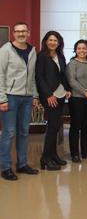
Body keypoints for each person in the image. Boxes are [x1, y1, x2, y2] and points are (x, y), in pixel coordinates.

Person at [0, 22, 39, 180]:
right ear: (13, 33)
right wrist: (2, 99)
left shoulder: (32, 51)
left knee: (24, 131)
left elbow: (33, 76)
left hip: (27, 97)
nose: (21, 34)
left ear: (28, 33)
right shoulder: (5, 50)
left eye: (24, 31)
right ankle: (5, 167)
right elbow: (0, 75)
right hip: (10, 96)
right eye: (18, 31)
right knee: (9, 133)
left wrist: (35, 95)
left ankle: (22, 164)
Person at [35, 31, 72, 170]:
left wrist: (68, 89)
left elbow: (63, 76)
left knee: (56, 127)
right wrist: (48, 95)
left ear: (59, 42)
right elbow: (39, 78)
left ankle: (54, 155)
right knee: (52, 128)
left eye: (55, 40)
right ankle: (45, 158)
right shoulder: (42, 57)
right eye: (50, 40)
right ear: (45, 41)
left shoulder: (60, 56)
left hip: (61, 95)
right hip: (50, 97)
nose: (52, 42)